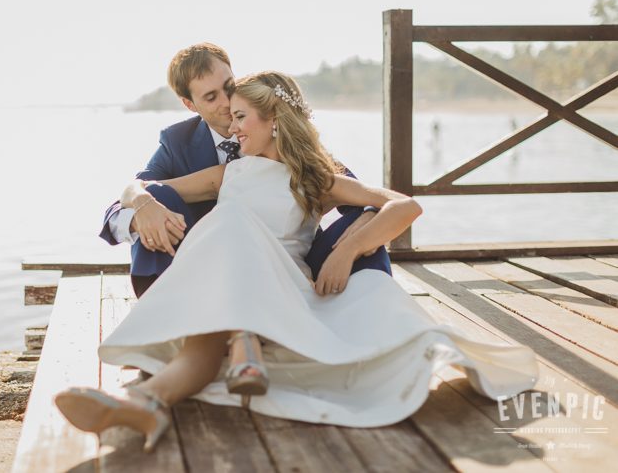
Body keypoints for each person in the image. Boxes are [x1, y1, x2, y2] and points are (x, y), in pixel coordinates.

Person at [56, 71, 539, 453]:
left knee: (231, 225)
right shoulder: (228, 173)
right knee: (210, 308)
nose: (232, 125)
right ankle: (148, 402)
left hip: (282, 287)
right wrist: (141, 203)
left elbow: (404, 206)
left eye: (242, 116)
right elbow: (143, 188)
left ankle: (242, 342)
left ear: (274, 122)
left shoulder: (313, 177)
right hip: (228, 283)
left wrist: (349, 248)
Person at [98, 42, 390, 299]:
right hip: (204, 268)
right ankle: (162, 309)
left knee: (366, 235)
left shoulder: (271, 127)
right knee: (158, 202)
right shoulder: (177, 142)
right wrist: (141, 203)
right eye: (211, 97)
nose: (226, 103)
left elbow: (358, 192)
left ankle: (377, 313)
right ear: (190, 104)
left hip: (294, 263)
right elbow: (133, 193)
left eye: (229, 87)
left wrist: (358, 233)